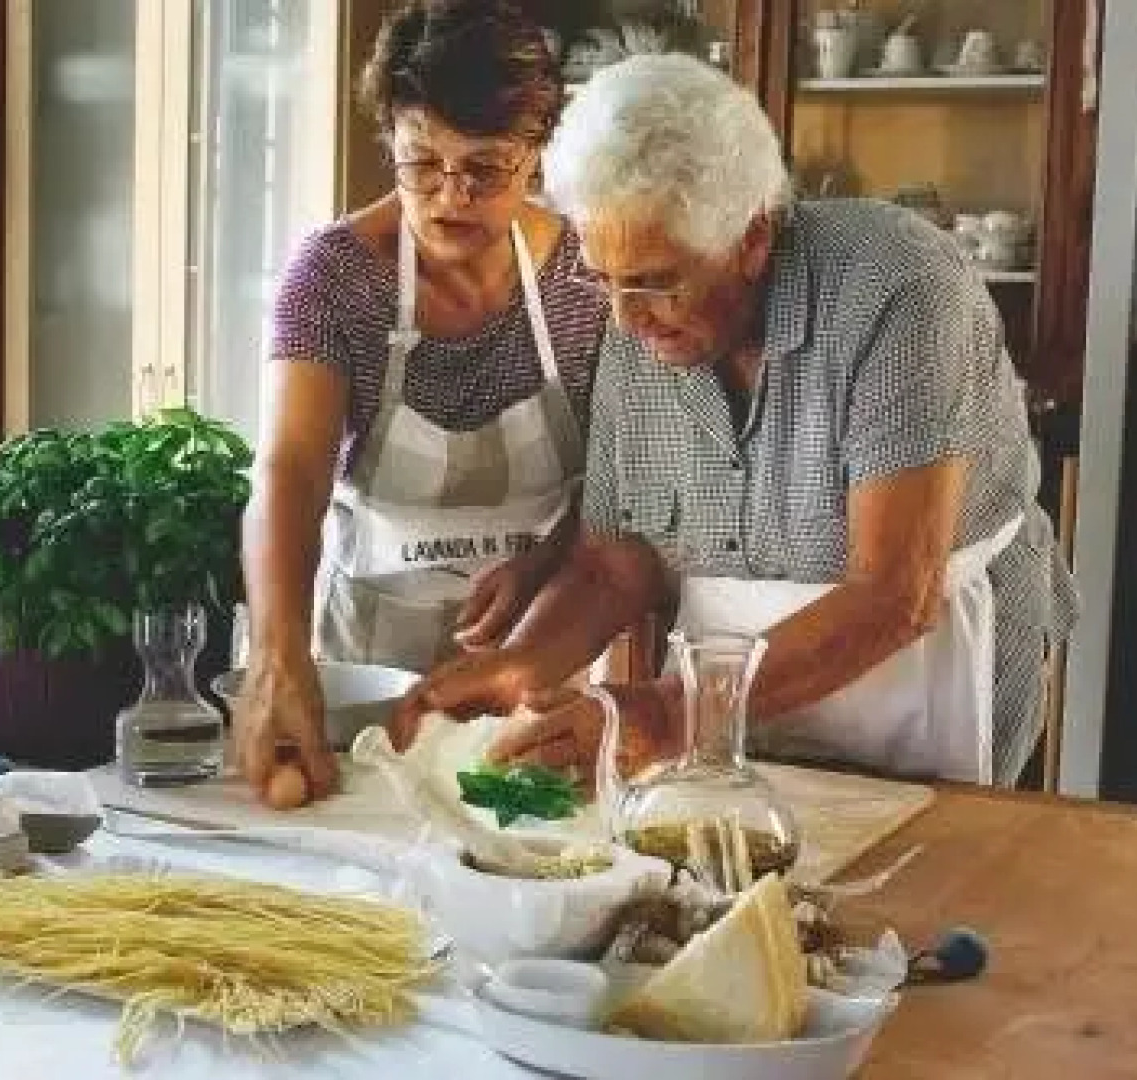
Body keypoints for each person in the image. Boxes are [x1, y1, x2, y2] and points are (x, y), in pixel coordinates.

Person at [393, 52, 1080, 788]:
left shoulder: (901, 288)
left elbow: (893, 596)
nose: (627, 320)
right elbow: (611, 560)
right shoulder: (634, 320)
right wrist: (518, 669)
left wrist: (662, 714)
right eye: (604, 280)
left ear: (753, 239)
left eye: (658, 283)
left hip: (926, 666)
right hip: (713, 690)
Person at [235, 0, 607, 804]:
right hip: (367, 682)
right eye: (420, 162)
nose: (449, 196)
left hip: (538, 678)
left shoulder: (589, 274)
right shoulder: (335, 279)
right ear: (391, 143)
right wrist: (277, 656)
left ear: (538, 154)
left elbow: (628, 488)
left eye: (485, 168)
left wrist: (546, 561)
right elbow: (288, 473)